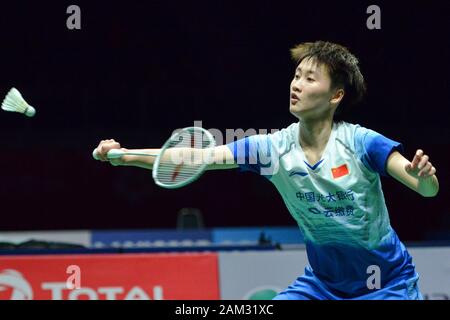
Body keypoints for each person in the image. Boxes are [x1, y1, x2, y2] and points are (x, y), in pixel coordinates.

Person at [94, 41, 439, 300]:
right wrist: (125, 155)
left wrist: (424, 178)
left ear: (335, 96)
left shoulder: (362, 143)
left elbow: (425, 189)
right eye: (296, 75)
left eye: (310, 78)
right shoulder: (273, 149)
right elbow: (197, 156)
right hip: (323, 285)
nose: (297, 84)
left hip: (386, 285)